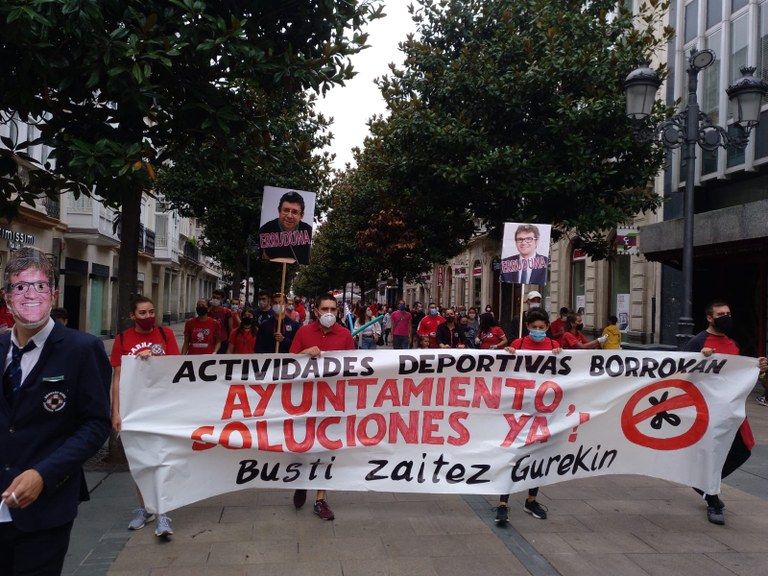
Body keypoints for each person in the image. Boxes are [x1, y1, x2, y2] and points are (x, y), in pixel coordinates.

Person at [0, 248, 111, 575]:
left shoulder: (82, 349)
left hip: (44, 511)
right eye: (19, 288)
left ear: (53, 294)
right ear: (7, 298)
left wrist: (44, 474)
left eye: (39, 287)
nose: (30, 295)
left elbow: (95, 425)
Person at [683, 300, 768, 525]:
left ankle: (704, 484)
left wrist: (756, 368)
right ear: (710, 318)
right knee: (714, 452)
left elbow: (736, 375)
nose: (726, 317)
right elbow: (681, 372)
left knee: (743, 450)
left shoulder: (732, 343)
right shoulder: (697, 342)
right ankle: (713, 499)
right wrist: (699, 359)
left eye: (729, 313)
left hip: (732, 410)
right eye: (721, 314)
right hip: (708, 411)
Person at [111, 295, 180, 537]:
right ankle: (143, 508)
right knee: (139, 462)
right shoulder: (122, 339)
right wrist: (115, 411)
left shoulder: (165, 336)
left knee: (161, 459)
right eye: (142, 313)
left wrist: (153, 361)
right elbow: (117, 379)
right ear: (133, 316)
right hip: (134, 409)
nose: (148, 316)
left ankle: (163, 513)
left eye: (151, 311)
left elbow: (176, 369)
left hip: (161, 408)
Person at [289, 295, 356, 520]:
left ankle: (320, 498)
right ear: (316, 311)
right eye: (325, 308)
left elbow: (354, 368)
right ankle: (301, 482)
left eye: (333, 309)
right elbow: (287, 363)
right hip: (305, 400)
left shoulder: (345, 336)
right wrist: (304, 354)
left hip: (332, 402)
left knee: (326, 449)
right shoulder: (304, 332)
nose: (329, 312)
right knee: (303, 445)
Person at [497, 308, 562, 524]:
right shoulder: (518, 345)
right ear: (527, 328)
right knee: (513, 455)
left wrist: (561, 356)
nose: (537, 331)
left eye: (541, 328)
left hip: (544, 412)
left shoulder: (554, 346)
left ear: (547, 328)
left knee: (538, 455)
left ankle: (531, 500)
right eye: (533, 327)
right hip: (519, 411)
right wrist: (507, 353)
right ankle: (503, 502)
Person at [258, 190, 313, 264]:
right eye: (286, 210)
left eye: (295, 212)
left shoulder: (309, 231)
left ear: (302, 215)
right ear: (279, 211)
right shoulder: (265, 230)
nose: (289, 216)